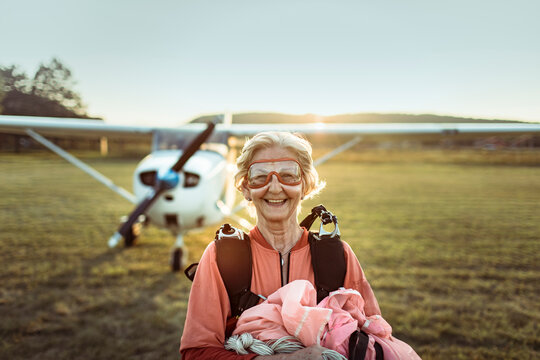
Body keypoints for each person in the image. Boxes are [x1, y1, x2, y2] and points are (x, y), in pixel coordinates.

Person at [180, 132, 416, 359]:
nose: (274, 187)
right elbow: (196, 352)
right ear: (245, 188)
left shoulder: (338, 256)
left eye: (289, 175)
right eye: (260, 176)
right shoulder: (221, 257)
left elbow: (373, 342)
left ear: (306, 185)